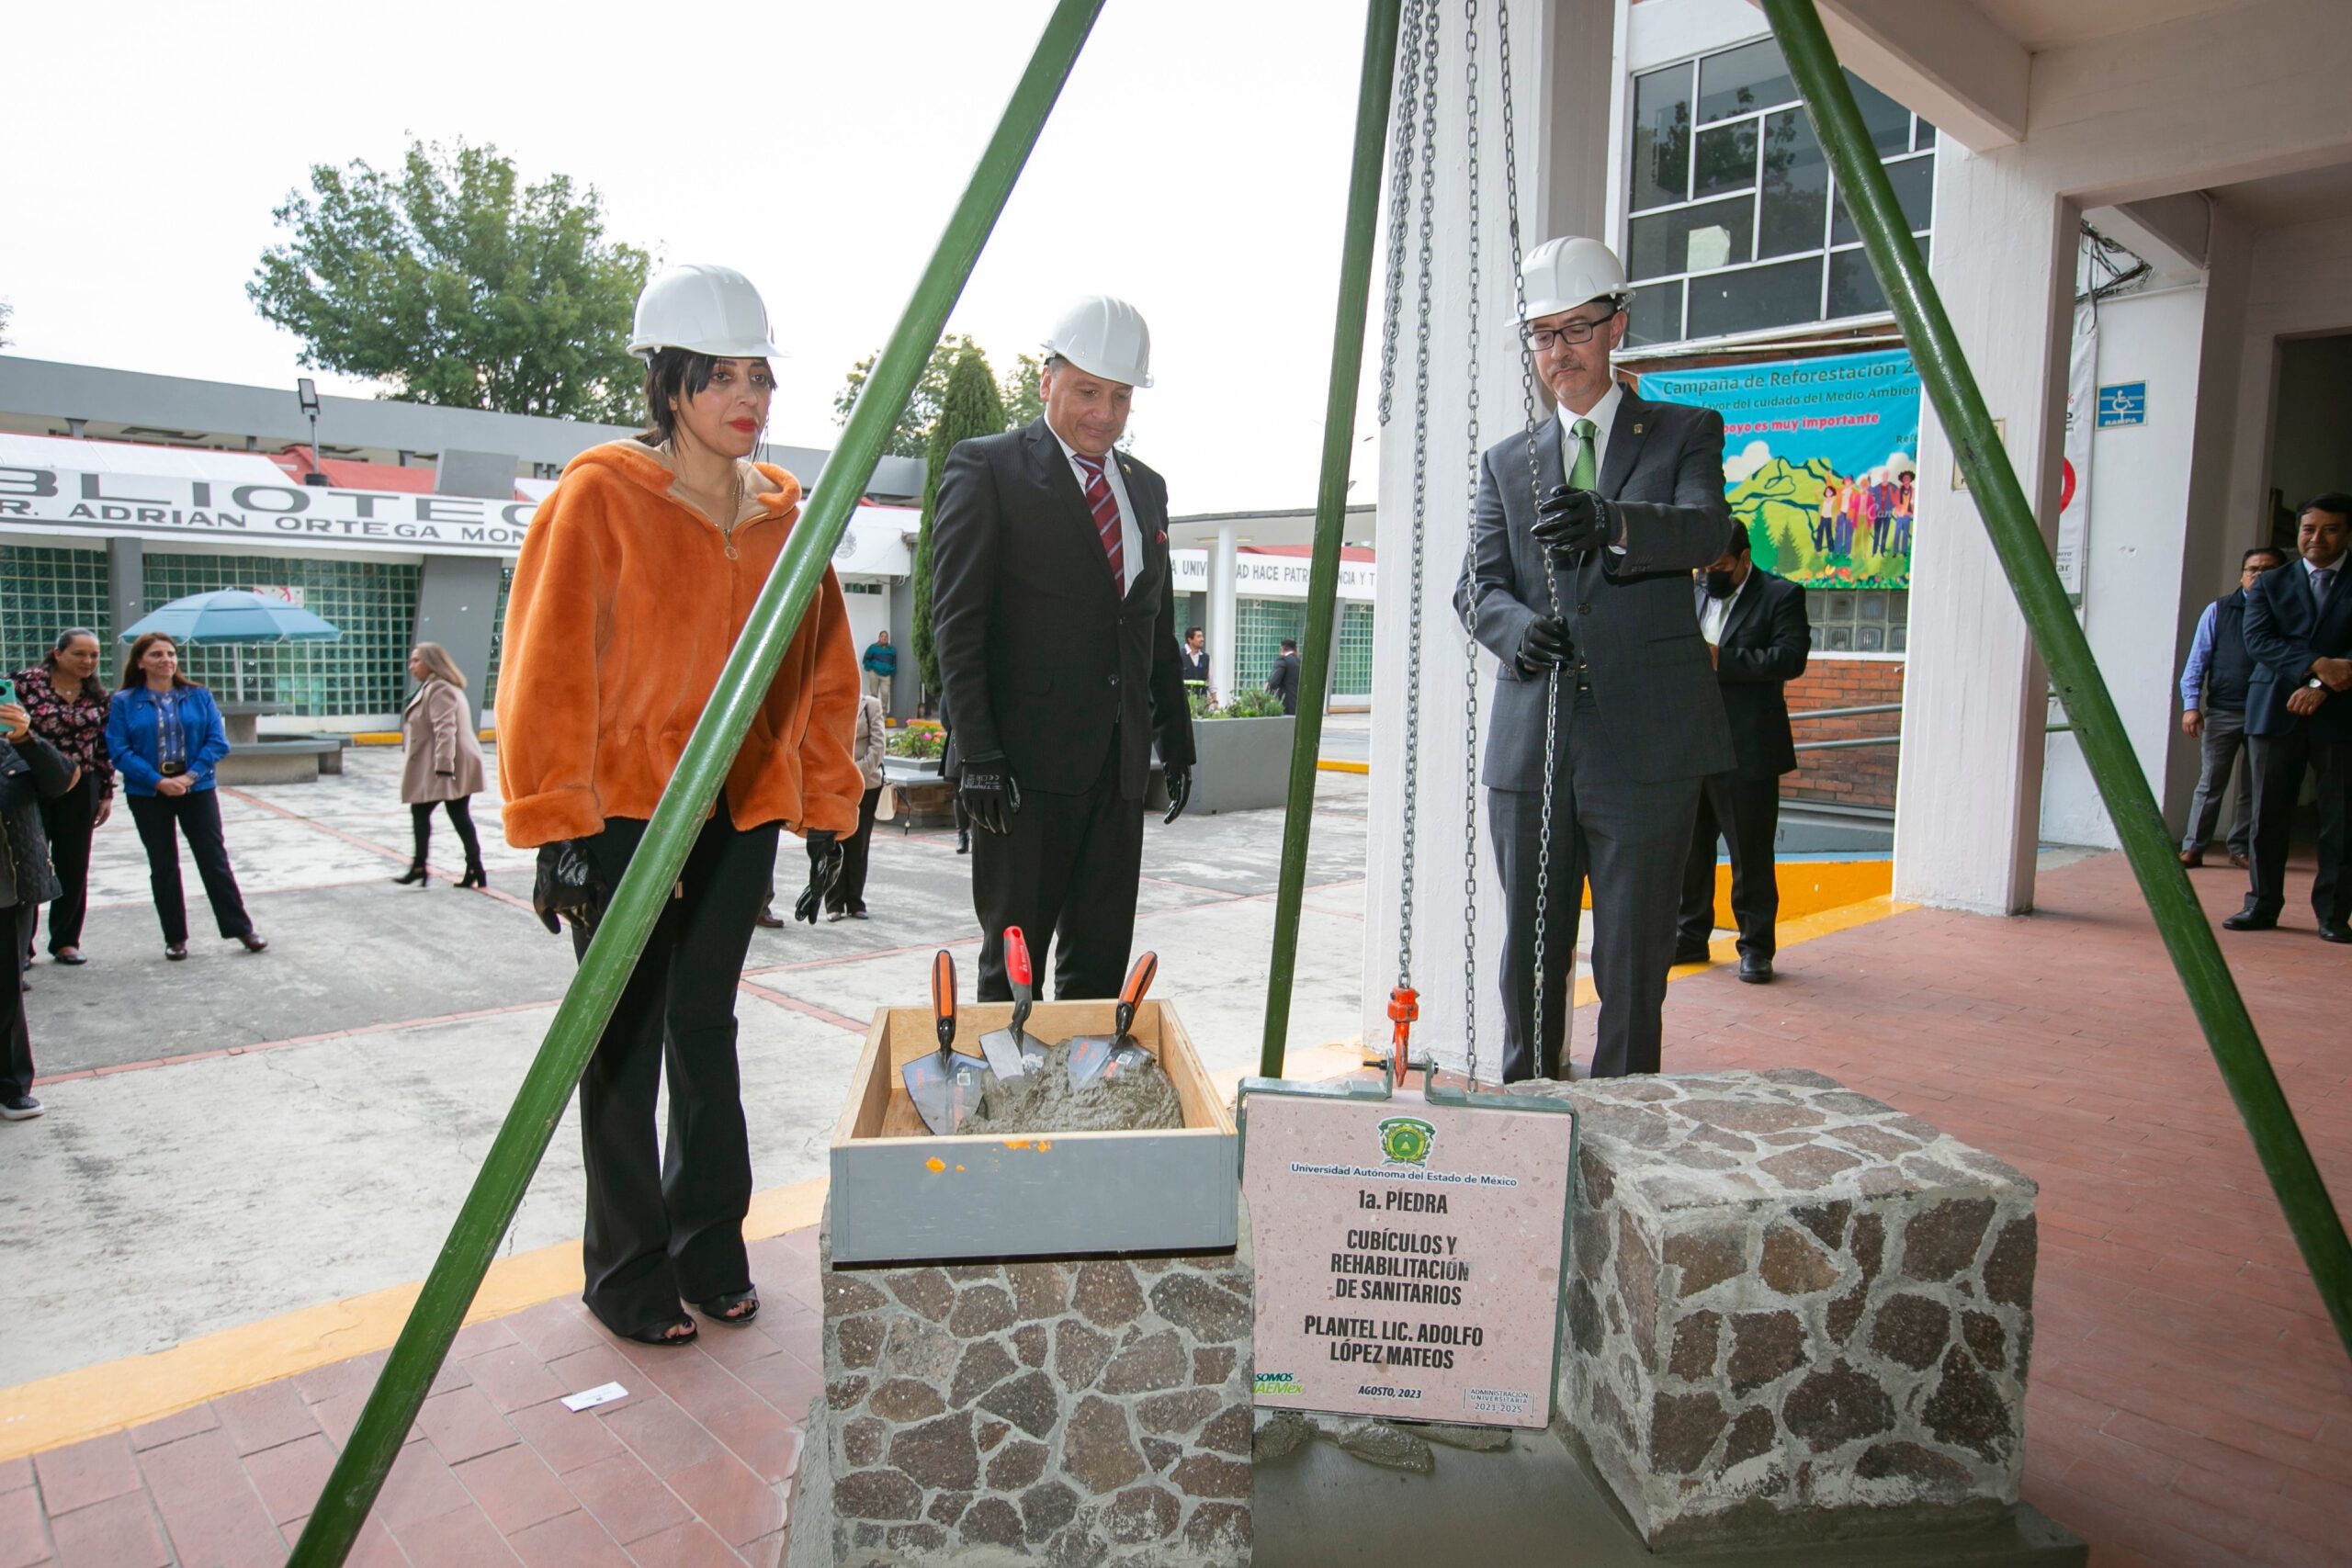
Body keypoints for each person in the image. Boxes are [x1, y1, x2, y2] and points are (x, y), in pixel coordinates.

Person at [498, 262, 863, 1346]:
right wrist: (556, 827)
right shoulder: (599, 498)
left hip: (736, 813)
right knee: (622, 1045)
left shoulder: (789, 518)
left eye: (758, 377)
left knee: (705, 1031)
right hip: (622, 815)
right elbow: (547, 664)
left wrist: (829, 808)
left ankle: (710, 1247)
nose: (746, 399)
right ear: (667, 387)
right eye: (720, 379)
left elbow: (826, 671)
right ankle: (625, 1274)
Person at [1454, 235, 1737, 1082]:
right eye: (1542, 334)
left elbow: (1707, 531)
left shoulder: (1683, 431)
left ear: (1618, 326)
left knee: (1630, 962)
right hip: (1533, 740)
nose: (1558, 352)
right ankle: (1528, 1129)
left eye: (1577, 329)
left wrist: (1612, 520)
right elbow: (1477, 583)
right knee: (1531, 960)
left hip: (1644, 747)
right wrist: (1513, 631)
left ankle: (1620, 1139)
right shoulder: (1508, 461)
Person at [932, 294, 1196, 1000]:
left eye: (1119, 395)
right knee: (1012, 974)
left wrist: (1176, 736)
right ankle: (1011, 1105)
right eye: (1087, 390)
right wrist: (980, 754)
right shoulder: (987, 469)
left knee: (1098, 974)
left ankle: (1085, 1103)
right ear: (1046, 380)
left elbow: (1150, 626)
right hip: (1018, 776)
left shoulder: (1147, 489)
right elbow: (957, 622)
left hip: (1116, 773)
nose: (1104, 413)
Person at [1675, 528, 1809, 982]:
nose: (1710, 576)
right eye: (1704, 569)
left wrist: (1722, 661)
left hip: (1747, 750)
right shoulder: (1689, 593)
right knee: (1690, 852)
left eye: (1720, 568)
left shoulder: (1781, 595)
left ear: (1744, 558)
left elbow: (1790, 658)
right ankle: (1690, 936)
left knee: (1750, 854)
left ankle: (1756, 948)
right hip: (1692, 746)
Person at [2230, 494, 2352, 941]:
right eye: (2308, 529)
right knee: (2268, 813)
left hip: (2340, 713)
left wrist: (2319, 686)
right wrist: (2318, 666)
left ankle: (2333, 916)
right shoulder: (2270, 582)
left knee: (2342, 816)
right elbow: (2259, 641)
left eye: (2330, 529)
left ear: (2347, 533)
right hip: (2274, 710)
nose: (2316, 538)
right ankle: (2261, 905)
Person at [105, 633, 266, 962]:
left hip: (197, 788)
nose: (166, 660)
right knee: (163, 864)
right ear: (140, 661)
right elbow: (119, 750)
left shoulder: (198, 695)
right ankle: (175, 937)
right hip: (148, 793)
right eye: (156, 655)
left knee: (213, 858)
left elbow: (217, 742)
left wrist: (188, 777)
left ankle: (241, 928)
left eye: (170, 653)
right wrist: (157, 781)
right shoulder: (124, 701)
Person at [2179, 547, 2288, 870]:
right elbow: (2197, 661)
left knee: (2255, 786)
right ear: (2242, 574)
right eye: (2253, 569)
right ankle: (2193, 846)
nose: (2259, 575)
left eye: (2268, 569)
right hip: (2224, 709)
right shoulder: (2218, 610)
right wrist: (2191, 705)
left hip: (2269, 711)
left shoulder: (2288, 613)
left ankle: (2240, 848)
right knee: (2211, 781)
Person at [13, 628, 114, 964]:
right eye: (79, 654)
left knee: (74, 864)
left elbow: (102, 747)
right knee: (29, 862)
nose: (88, 661)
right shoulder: (26, 684)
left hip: (80, 785)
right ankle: (21, 946)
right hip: (30, 784)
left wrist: (105, 792)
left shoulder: (99, 695)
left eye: (94, 655)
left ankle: (66, 940)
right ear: (57, 654)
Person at [0, 701, 78, 1120]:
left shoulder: (13, 747)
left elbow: (62, 781)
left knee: (6, 990)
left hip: (8, 890)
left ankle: (12, 1086)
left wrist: (27, 737)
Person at [395, 643, 489, 888]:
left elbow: (445, 729)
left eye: (416, 660)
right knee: (455, 815)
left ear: (431, 662)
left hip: (449, 766)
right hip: (447, 765)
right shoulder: (433, 687)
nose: (411, 666)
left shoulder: (440, 689)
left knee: (433, 813)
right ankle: (473, 868)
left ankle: (422, 866)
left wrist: (444, 768)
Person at [820, 692, 888, 919]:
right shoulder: (827, 701)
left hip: (865, 784)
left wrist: (854, 773)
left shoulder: (870, 705)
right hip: (834, 784)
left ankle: (855, 902)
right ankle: (834, 904)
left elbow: (878, 747)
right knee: (833, 842)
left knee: (859, 845)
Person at [861, 630, 897, 713]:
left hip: (886, 675)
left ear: (888, 638)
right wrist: (871, 667)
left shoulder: (892, 650)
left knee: (885, 694)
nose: (884, 638)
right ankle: (873, 713)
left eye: (886, 636)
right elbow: (865, 660)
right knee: (873, 695)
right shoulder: (873, 648)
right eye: (882, 636)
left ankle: (883, 714)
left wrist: (891, 670)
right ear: (879, 638)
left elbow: (894, 663)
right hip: (874, 674)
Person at [1267, 637, 1302, 716]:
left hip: (1285, 704)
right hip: (1298, 702)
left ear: (1282, 648)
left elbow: (1273, 683)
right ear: (1295, 649)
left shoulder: (1283, 660)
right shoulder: (1300, 662)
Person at [1181, 626, 1211, 695]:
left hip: (1201, 701)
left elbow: (1211, 682)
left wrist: (1215, 701)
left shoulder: (1206, 658)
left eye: (1202, 636)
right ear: (1190, 639)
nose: (1202, 639)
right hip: (1184, 701)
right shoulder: (1179, 656)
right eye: (1199, 636)